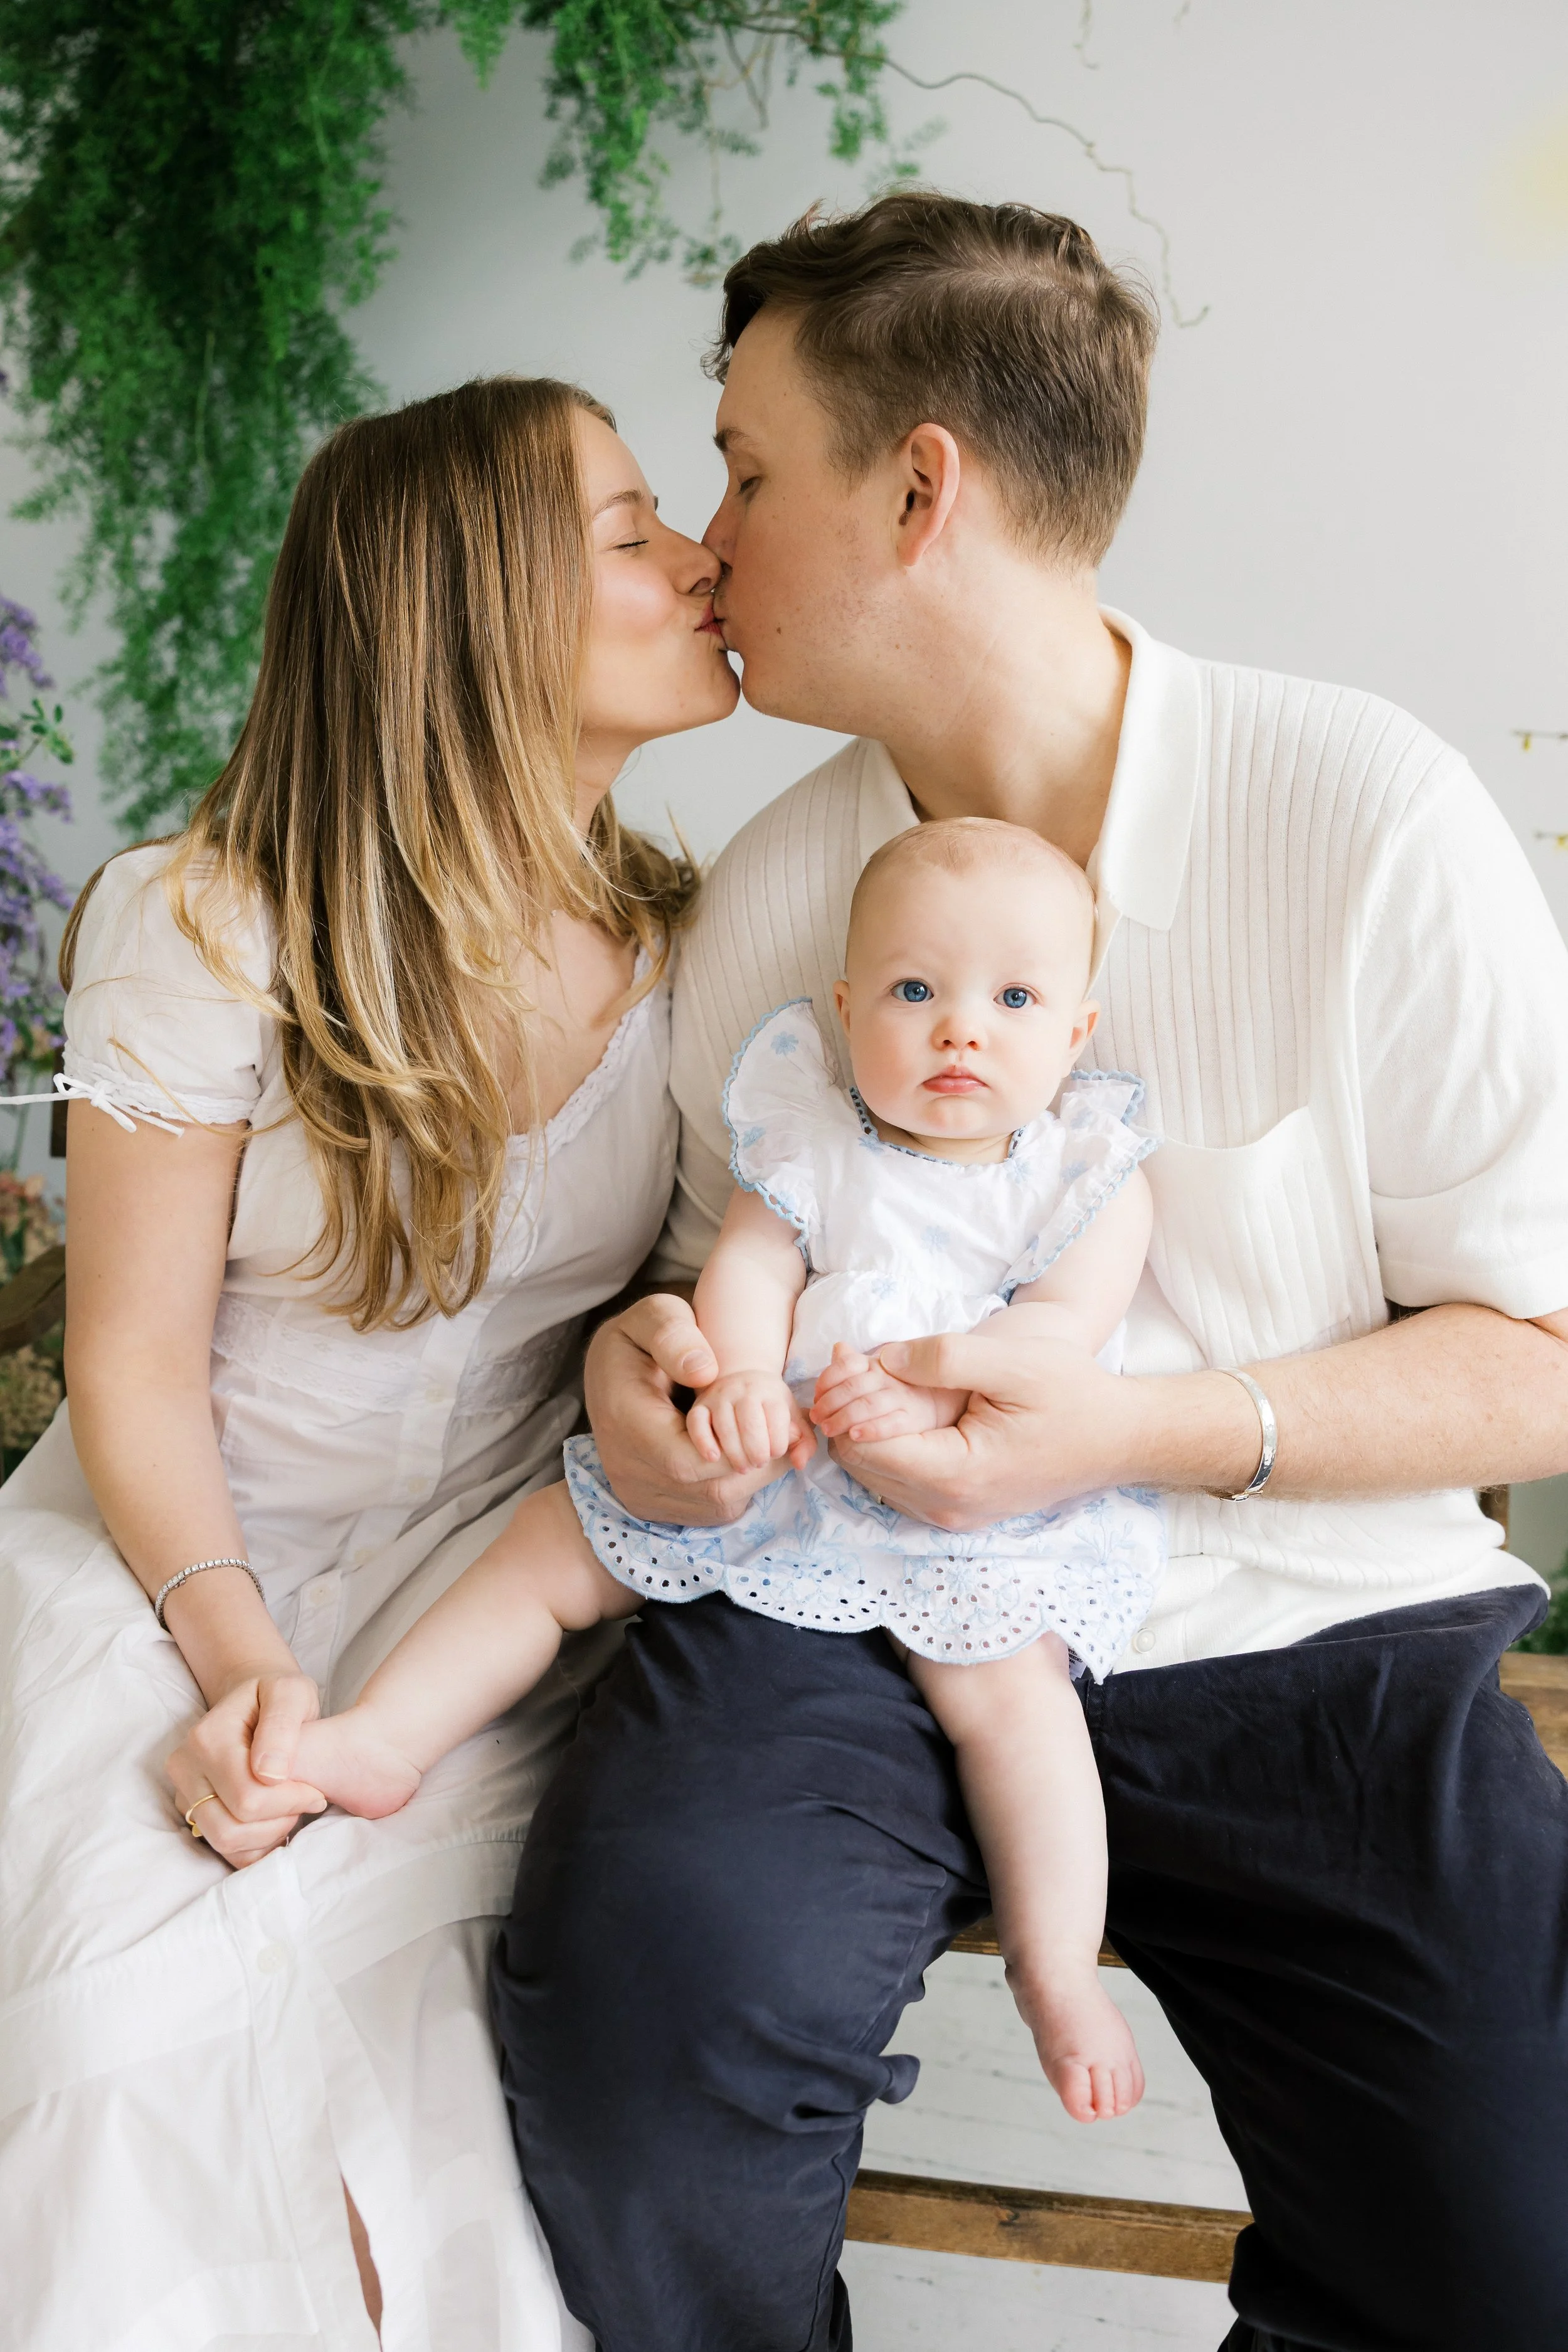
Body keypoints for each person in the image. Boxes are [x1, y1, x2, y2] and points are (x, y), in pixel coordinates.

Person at [492, 196, 1568, 2352]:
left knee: (1523, 2246)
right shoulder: (778, 899)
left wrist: (1153, 1428)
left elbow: (1544, 1352)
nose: (708, 542)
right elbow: (723, 1279)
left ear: (918, 490)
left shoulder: (1363, 813)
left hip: (1316, 1628)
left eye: (744, 466)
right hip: (845, 1613)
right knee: (644, 2003)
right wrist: (651, 1368)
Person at [0, 376, 738, 2351]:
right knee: (114, 2014)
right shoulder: (203, 920)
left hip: (480, 1594)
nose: (703, 560)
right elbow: (131, 1372)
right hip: (169, 1553)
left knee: (414, 2033)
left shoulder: (692, 947)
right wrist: (242, 1662)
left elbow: (671, 1305)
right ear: (474, 603)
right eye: (632, 526)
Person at [281, 815, 1162, 2125]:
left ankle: (1054, 1971)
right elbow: (748, 1269)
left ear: (1074, 1033)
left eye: (1012, 999)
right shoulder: (812, 1128)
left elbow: (1059, 1334)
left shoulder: (1077, 1171)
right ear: (847, 1004)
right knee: (553, 1543)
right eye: (915, 992)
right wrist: (743, 1376)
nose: (958, 1031)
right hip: (787, 1462)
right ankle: (380, 1737)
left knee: (1012, 1704)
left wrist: (939, 1371)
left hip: (964, 1494)